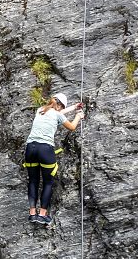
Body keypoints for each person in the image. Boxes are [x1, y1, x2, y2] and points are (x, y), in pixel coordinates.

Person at [24, 92, 84, 225]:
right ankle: (43, 215)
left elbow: (57, 112)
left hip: (30, 148)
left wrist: (74, 107)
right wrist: (78, 116)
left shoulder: (40, 110)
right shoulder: (58, 114)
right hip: (45, 149)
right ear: (60, 106)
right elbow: (72, 127)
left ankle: (32, 214)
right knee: (48, 182)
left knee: (33, 181)